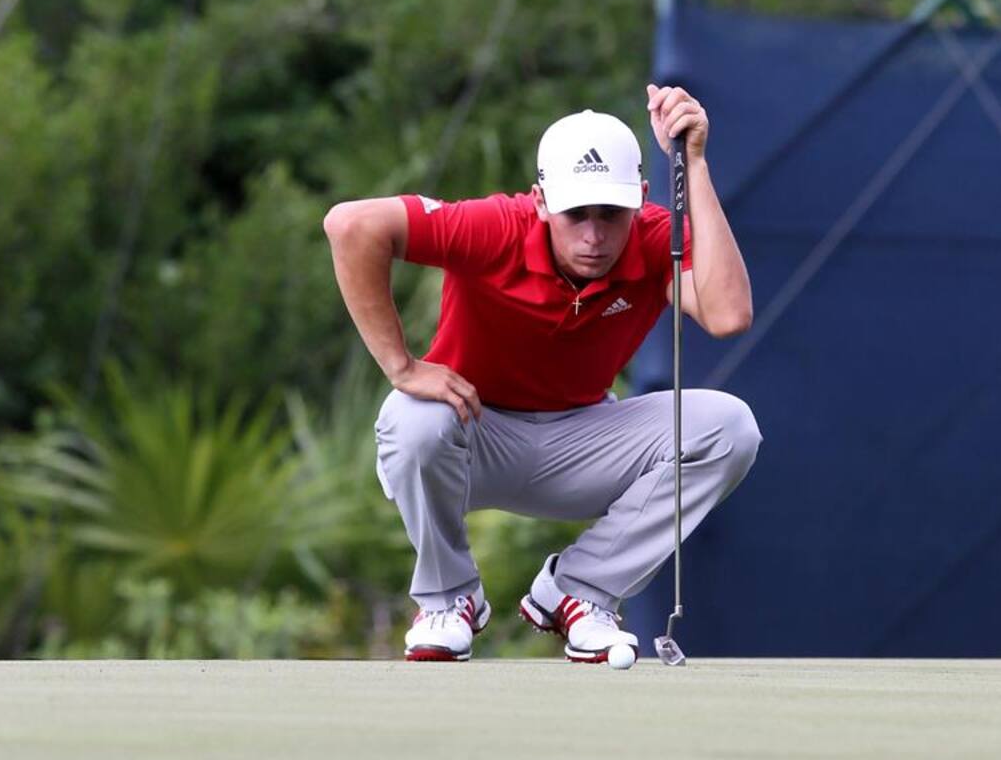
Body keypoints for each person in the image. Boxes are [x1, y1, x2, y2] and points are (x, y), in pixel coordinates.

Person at [323, 84, 761, 662]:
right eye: (576, 214)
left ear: (640, 200)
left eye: (611, 215)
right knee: (412, 417)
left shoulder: (655, 239)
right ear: (540, 202)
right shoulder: (494, 227)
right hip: (473, 437)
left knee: (730, 427)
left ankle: (581, 592)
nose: (594, 236)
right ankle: (448, 599)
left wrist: (695, 165)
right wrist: (401, 367)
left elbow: (728, 315)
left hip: (583, 443)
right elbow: (350, 226)